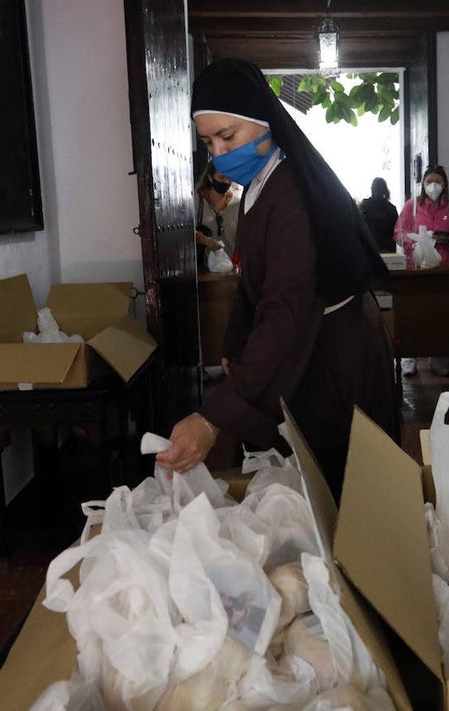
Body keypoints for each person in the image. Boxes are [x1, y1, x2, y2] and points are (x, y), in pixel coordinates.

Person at [156, 58, 399, 501]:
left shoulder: (291, 195)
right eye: (209, 141)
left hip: (338, 357)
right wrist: (235, 342)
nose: (220, 153)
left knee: (351, 488)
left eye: (228, 136)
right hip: (314, 343)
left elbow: (284, 310)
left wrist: (214, 417)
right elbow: (253, 279)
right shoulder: (259, 186)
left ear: (265, 122)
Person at [394, 165, 449, 377]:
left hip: (442, 270)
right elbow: (398, 232)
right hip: (416, 270)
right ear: (423, 184)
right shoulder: (413, 207)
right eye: (429, 182)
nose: (433, 186)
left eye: (437, 181)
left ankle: (438, 358)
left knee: (441, 315)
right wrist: (415, 243)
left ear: (444, 185)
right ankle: (409, 358)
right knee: (412, 314)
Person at [195, 161, 241, 265]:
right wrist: (205, 240)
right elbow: (185, 234)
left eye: (229, 178)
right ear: (210, 177)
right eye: (222, 177)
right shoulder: (198, 201)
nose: (226, 181)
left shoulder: (237, 202)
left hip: (233, 269)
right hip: (206, 270)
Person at [359, 177, 399, 253]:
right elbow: (396, 232)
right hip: (388, 248)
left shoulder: (365, 206)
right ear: (385, 189)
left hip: (369, 247)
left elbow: (360, 228)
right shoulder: (391, 208)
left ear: (372, 189)